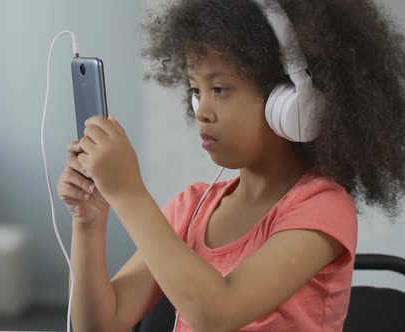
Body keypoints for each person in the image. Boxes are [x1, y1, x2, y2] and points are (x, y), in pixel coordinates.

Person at [57, 0, 405, 331]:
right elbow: (100, 325)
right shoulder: (192, 208)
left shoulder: (322, 207)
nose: (202, 111)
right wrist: (88, 222)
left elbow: (217, 314)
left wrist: (128, 193)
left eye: (220, 89)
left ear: (295, 103)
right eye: (196, 90)